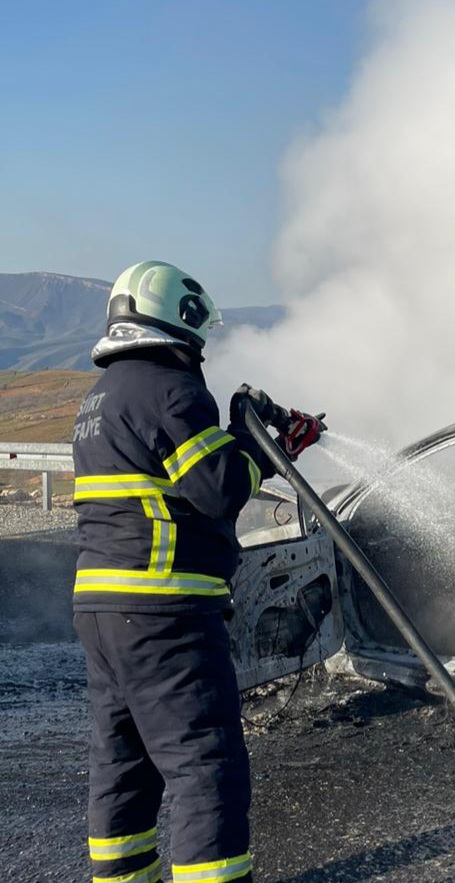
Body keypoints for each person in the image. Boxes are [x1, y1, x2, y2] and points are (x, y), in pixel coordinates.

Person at [72, 261, 323, 883]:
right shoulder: (170, 389)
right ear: (176, 320)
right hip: (164, 610)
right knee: (204, 761)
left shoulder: (99, 395)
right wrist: (260, 447)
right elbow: (218, 489)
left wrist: (251, 441)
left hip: (102, 609)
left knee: (123, 759)